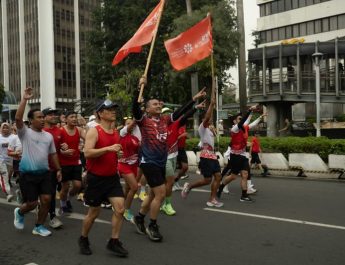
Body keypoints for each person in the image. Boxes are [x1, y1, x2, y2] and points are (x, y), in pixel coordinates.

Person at [132, 76, 206, 241]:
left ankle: (139, 217)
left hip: (161, 161)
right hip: (148, 162)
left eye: (159, 104)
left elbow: (180, 112)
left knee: (152, 194)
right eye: (154, 104)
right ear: (147, 108)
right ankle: (152, 225)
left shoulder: (165, 120)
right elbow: (134, 108)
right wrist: (139, 88)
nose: (158, 105)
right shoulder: (143, 121)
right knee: (161, 193)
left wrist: (193, 100)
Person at [78, 99, 128, 257]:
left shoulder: (114, 132)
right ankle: (83, 238)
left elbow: (112, 151)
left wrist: (117, 153)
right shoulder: (95, 131)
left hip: (112, 178)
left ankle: (114, 241)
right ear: (100, 113)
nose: (113, 111)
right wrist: (108, 149)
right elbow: (87, 153)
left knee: (120, 209)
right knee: (94, 213)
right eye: (109, 109)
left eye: (114, 108)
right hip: (96, 179)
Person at [13, 87, 62, 237]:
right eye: (39, 117)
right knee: (32, 203)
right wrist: (25, 99)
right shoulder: (25, 133)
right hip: (27, 174)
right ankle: (19, 212)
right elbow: (17, 119)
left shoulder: (48, 136)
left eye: (43, 117)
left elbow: (53, 154)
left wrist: (59, 169)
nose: (42, 119)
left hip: (45, 173)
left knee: (47, 200)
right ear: (31, 120)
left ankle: (39, 226)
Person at [161, 101, 206, 216]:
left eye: (169, 113)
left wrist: (195, 107)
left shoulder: (176, 124)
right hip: (163, 158)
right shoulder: (159, 126)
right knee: (167, 183)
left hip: (174, 155)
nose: (167, 115)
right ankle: (167, 204)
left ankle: (162, 204)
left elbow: (185, 115)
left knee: (165, 183)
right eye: (165, 114)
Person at [181, 92, 224, 207]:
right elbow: (207, 118)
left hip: (212, 156)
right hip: (205, 156)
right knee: (207, 180)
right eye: (207, 118)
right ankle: (189, 186)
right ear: (203, 119)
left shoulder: (210, 130)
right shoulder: (202, 128)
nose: (210, 119)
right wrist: (211, 105)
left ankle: (212, 199)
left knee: (218, 177)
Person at [216, 107, 264, 202]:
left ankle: (244, 196)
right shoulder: (235, 129)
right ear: (235, 121)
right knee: (233, 176)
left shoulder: (244, 127)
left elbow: (251, 123)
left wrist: (258, 116)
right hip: (235, 156)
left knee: (245, 174)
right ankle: (221, 186)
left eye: (241, 118)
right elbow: (243, 122)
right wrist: (250, 110)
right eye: (239, 118)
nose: (241, 119)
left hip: (242, 156)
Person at [58, 110, 86, 214]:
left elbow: (88, 138)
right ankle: (63, 204)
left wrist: (84, 125)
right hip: (64, 163)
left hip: (76, 161)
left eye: (75, 117)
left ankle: (68, 198)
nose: (74, 119)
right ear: (65, 119)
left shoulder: (79, 130)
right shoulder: (61, 131)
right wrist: (62, 151)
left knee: (78, 185)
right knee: (65, 187)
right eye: (71, 117)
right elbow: (56, 148)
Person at [42, 107, 64, 229]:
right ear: (44, 117)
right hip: (40, 167)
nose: (54, 116)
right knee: (43, 195)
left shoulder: (59, 131)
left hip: (54, 168)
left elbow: (59, 149)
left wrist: (64, 149)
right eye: (51, 114)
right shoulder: (40, 131)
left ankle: (52, 216)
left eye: (55, 114)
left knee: (51, 192)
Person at [118, 118, 141, 222]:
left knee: (128, 188)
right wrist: (139, 114)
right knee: (134, 187)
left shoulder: (136, 136)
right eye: (128, 123)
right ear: (124, 125)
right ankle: (126, 211)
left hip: (134, 165)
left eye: (132, 123)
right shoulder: (122, 133)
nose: (131, 125)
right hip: (124, 165)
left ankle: (119, 206)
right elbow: (133, 124)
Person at [0, 122, 16, 202]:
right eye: (3, 127)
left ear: (10, 128)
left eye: (7, 127)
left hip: (10, 161)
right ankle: (8, 194)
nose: (5, 129)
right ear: (1, 129)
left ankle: (7, 191)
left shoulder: (14, 137)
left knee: (7, 178)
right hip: (0, 160)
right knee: (4, 177)